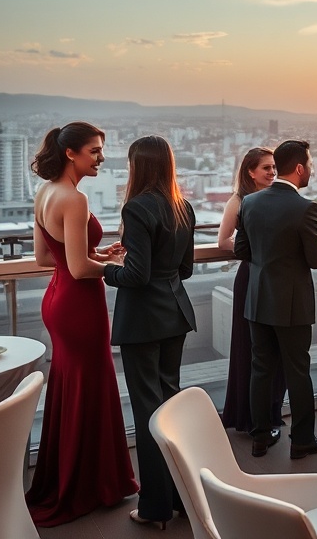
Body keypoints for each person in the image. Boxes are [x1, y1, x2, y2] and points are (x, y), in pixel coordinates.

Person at [26, 121, 139, 527]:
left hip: (57, 300)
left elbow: (46, 258)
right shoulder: (74, 198)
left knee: (72, 386)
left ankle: (70, 478)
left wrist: (97, 254)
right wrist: (116, 267)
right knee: (91, 386)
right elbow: (78, 268)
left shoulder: (45, 192)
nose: (102, 158)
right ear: (70, 153)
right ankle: (92, 484)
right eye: (94, 150)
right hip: (79, 304)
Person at [104, 135, 197, 529]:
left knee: (147, 412)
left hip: (143, 320)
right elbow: (185, 269)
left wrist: (107, 271)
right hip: (175, 313)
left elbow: (137, 276)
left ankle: (154, 507)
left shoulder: (136, 208)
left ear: (138, 166)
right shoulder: (183, 207)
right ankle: (179, 497)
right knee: (170, 406)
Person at [235, 139, 317, 459]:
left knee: (261, 369)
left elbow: (241, 250)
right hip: (291, 304)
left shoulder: (250, 202)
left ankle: (260, 438)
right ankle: (301, 440)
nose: (312, 170)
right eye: (310, 165)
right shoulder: (305, 208)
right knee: (298, 371)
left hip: (258, 298)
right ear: (300, 168)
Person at [217, 147, 287, 434]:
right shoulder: (238, 201)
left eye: (274, 167)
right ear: (250, 171)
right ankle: (249, 418)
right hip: (250, 279)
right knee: (249, 347)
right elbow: (223, 241)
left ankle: (271, 412)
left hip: (275, 280)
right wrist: (256, 249)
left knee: (276, 349)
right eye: (266, 168)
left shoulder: (276, 197)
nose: (272, 172)